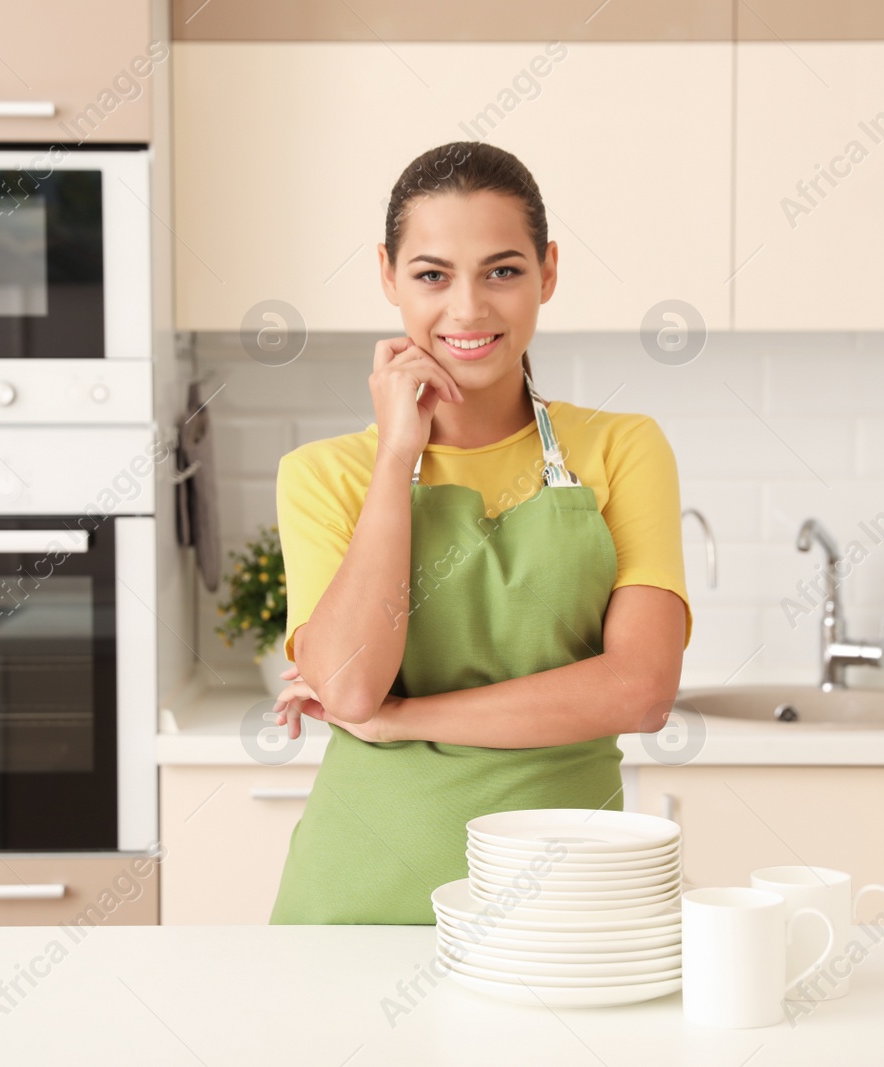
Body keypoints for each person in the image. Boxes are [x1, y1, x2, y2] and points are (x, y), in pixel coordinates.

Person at [266, 141, 693, 925]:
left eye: (502, 270)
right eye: (432, 274)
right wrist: (396, 454)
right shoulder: (324, 473)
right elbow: (354, 684)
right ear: (389, 276)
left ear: (549, 272)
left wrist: (400, 719)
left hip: (566, 903)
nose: (467, 309)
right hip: (361, 904)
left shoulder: (623, 447)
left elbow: (639, 690)